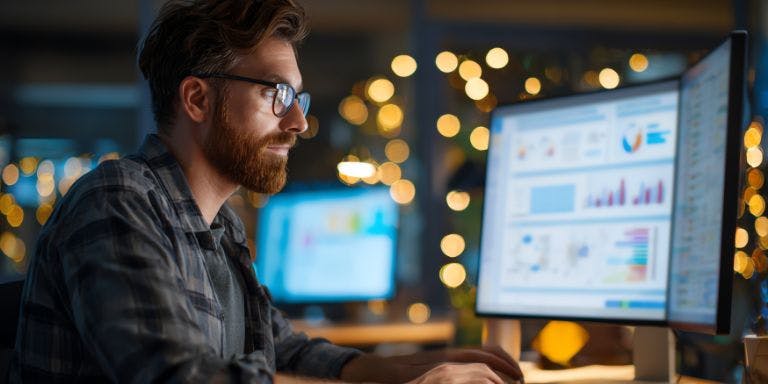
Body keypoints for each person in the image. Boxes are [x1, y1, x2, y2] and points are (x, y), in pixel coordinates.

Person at [10, 1, 523, 383]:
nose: (299, 121)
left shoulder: (220, 226)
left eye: (297, 97)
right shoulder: (116, 201)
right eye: (276, 94)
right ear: (197, 99)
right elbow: (178, 378)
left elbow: (283, 350)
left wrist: (423, 368)